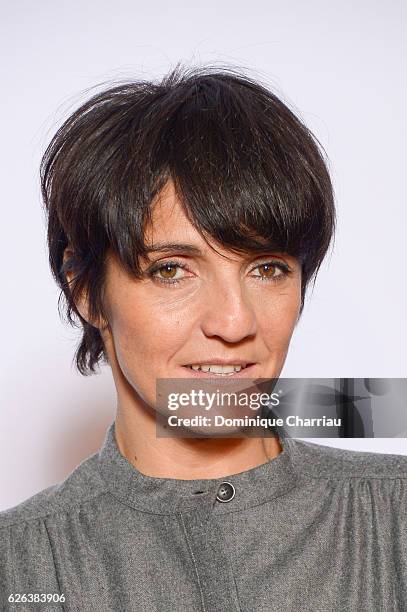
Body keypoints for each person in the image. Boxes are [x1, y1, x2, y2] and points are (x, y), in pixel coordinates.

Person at [1, 64, 406, 612]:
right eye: (171, 270)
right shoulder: (19, 562)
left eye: (267, 268)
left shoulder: (393, 513)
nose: (235, 322)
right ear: (87, 292)